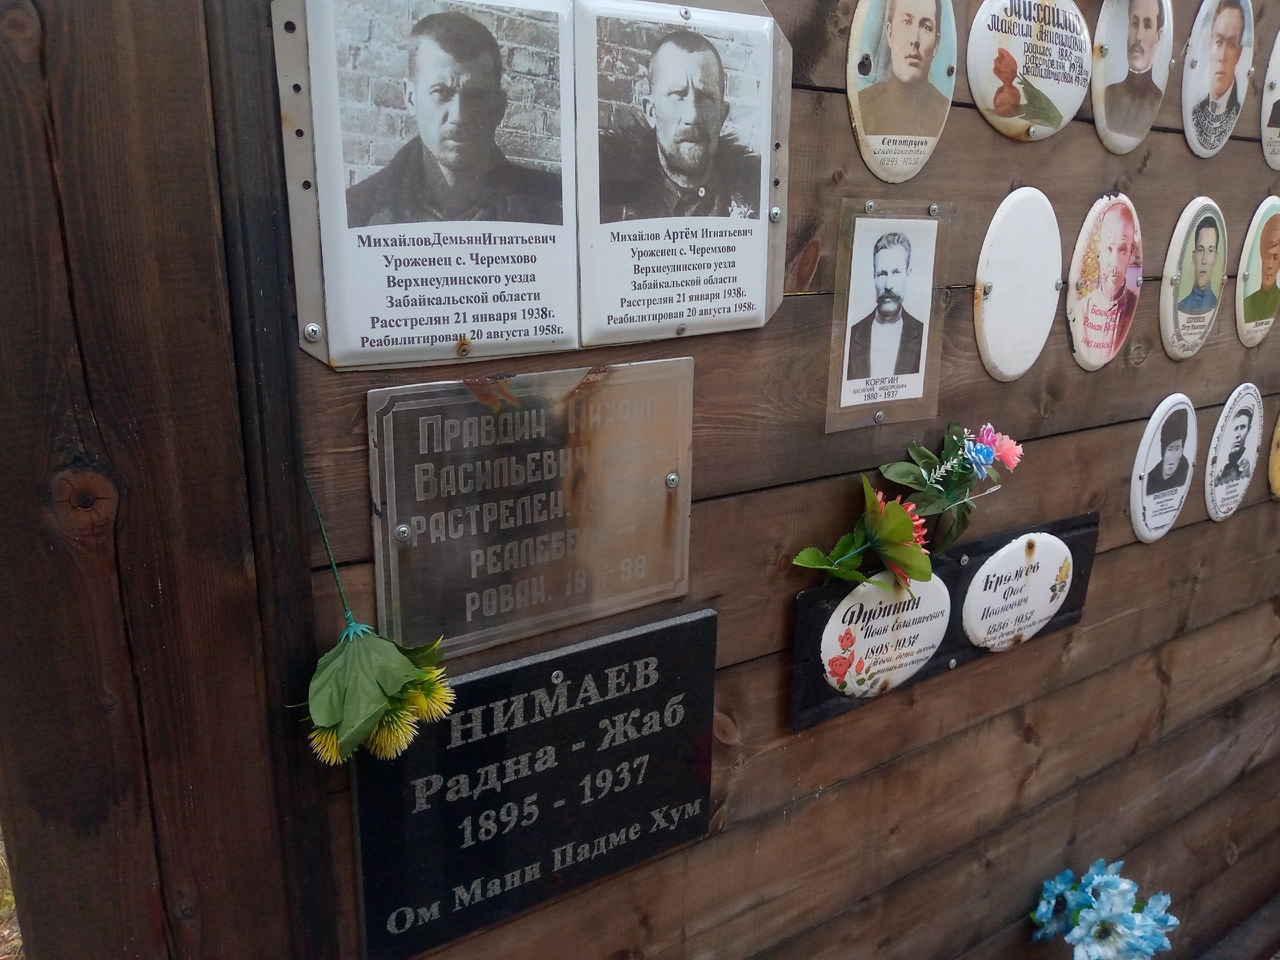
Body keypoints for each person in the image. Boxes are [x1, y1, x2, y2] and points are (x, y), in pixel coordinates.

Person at [345, 12, 561, 227]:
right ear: (410, 98)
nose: (459, 116)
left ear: (499, 107)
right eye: (440, 92)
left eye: (476, 96)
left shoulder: (556, 208)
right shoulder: (355, 214)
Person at [599, 30, 760, 222]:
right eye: (677, 95)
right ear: (651, 112)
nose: (692, 116)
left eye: (705, 98)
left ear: (722, 115)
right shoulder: (608, 208)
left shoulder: (757, 204)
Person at [858, 0, 949, 137]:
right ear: (889, 33)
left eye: (926, 27)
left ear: (936, 44)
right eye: (907, 22)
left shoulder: (944, 110)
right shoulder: (864, 104)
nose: (915, 39)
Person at [846, 231, 925, 380]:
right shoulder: (851, 335)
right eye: (882, 274)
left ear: (908, 273)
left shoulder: (923, 334)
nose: (888, 285)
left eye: (896, 272)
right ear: (874, 276)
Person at [1076, 202, 1138, 360]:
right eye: (1109, 248)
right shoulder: (1081, 310)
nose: (1114, 262)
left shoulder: (1134, 307)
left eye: (1122, 249)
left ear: (1131, 252)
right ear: (1099, 250)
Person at [1102, 0, 1165, 138]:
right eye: (1135, 24)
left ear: (1158, 36)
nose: (1138, 36)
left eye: (1147, 26)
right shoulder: (1108, 95)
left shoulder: (1159, 101)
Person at [1190, 0, 1245, 153]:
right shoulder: (1195, 110)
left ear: (1239, 54)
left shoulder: (1238, 110)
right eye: (1219, 42)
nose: (1222, 56)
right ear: (1210, 45)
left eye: (1231, 45)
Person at [1177, 215, 1220, 315]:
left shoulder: (1216, 306)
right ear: (1193, 256)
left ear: (1215, 258)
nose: (1204, 260)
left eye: (1210, 251)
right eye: (1200, 250)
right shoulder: (1180, 306)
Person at [1243, 215, 1280, 323]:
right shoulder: (1247, 304)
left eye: (1275, 258)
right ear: (1262, 255)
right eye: (1268, 256)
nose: (1270, 265)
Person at [1146, 407, 1190, 495]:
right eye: (1170, 449)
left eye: (1177, 449)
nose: (1173, 456)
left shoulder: (1185, 473)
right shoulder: (1151, 477)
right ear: (1163, 451)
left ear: (1181, 451)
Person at [1215, 407, 1254, 484]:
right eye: (1236, 428)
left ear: (1248, 430)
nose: (1238, 434)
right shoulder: (1224, 463)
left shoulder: (1246, 464)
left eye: (1242, 427)